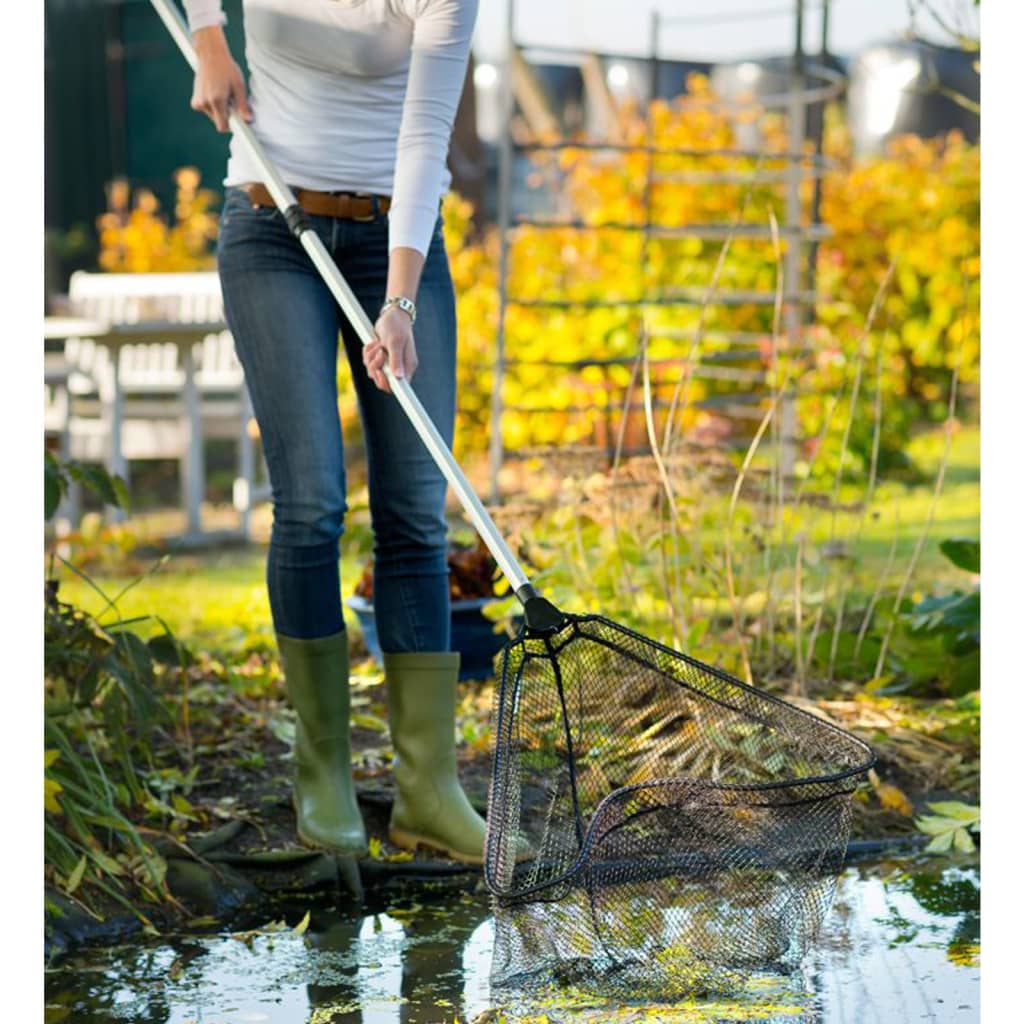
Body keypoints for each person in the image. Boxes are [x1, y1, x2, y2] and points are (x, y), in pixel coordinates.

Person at [184, 0, 485, 863]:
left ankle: (428, 788)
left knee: (415, 510)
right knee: (312, 502)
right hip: (272, 228)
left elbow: (426, 136)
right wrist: (209, 38)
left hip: (398, 241)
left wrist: (398, 302)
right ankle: (322, 775)